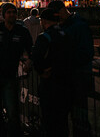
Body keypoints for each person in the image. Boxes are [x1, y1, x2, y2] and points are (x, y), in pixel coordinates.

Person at [0, 2, 32, 137]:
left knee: (12, 108)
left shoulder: (22, 31)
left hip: (10, 75)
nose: (11, 15)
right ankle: (1, 132)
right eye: (8, 12)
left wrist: (29, 60)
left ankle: (13, 133)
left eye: (14, 12)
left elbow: (31, 49)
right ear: (4, 15)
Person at [48, 0, 94, 136]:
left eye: (57, 16)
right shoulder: (68, 25)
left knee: (79, 117)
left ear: (62, 11)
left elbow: (86, 54)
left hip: (78, 77)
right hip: (67, 78)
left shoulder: (78, 26)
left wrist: (64, 60)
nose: (56, 19)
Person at [31, 8, 74, 137]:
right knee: (62, 121)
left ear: (43, 21)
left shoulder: (45, 37)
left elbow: (36, 58)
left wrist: (41, 71)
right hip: (67, 83)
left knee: (49, 121)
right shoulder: (66, 34)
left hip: (50, 84)